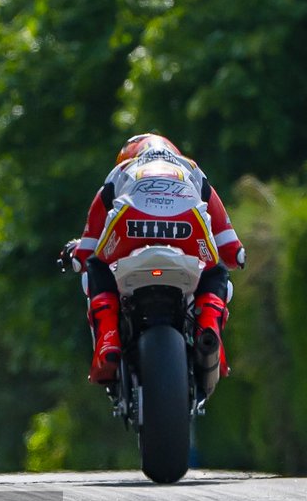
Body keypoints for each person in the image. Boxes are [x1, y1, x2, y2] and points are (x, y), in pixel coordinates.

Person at [66, 133, 245, 383]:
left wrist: (78, 257)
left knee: (97, 267)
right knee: (215, 273)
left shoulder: (121, 170)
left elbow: (90, 237)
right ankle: (209, 327)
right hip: (188, 229)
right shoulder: (190, 168)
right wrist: (235, 254)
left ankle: (108, 339)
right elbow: (227, 239)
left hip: (130, 227)